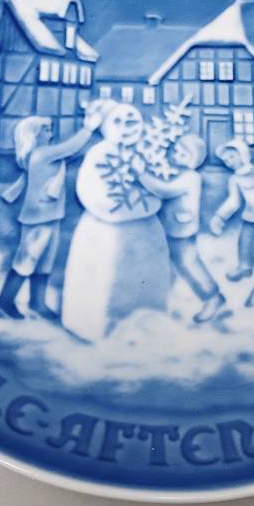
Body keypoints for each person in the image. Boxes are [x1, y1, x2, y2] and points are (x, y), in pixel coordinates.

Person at [60, 103, 174, 342]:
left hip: (145, 229)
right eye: (118, 122)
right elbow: (91, 189)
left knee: (145, 277)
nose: (126, 127)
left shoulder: (147, 152)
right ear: (105, 126)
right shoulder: (100, 154)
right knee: (105, 277)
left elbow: (160, 186)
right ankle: (98, 327)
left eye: (132, 121)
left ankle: (148, 322)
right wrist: (114, 207)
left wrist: (147, 197)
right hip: (105, 230)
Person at [0, 103, 106, 320]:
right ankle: (4, 301)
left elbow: (73, 153)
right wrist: (88, 128)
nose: (50, 133)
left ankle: (37, 302)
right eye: (46, 129)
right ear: (34, 134)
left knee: (44, 261)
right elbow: (70, 148)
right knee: (28, 258)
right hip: (38, 217)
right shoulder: (41, 154)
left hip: (52, 214)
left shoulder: (48, 155)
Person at [137, 134, 227, 324]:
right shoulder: (176, 171)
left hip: (181, 228)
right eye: (177, 151)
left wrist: (142, 175)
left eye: (184, 155)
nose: (177, 155)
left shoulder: (191, 177)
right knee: (168, 258)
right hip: (170, 225)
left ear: (194, 161)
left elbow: (164, 190)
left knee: (188, 261)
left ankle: (212, 296)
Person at [209, 137, 254, 280]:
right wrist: (220, 217)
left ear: (243, 154)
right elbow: (233, 201)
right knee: (245, 241)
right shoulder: (235, 179)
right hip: (252, 214)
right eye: (226, 160)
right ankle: (245, 267)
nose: (229, 161)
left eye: (232, 157)